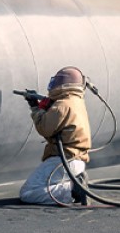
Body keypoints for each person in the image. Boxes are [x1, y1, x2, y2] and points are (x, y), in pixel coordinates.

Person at [19, 66, 91, 205]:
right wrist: (45, 107)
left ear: (62, 85)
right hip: (76, 160)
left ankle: (72, 190)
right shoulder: (76, 101)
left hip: (63, 160)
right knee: (37, 188)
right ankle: (75, 183)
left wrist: (35, 107)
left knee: (29, 192)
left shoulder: (62, 104)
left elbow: (45, 128)